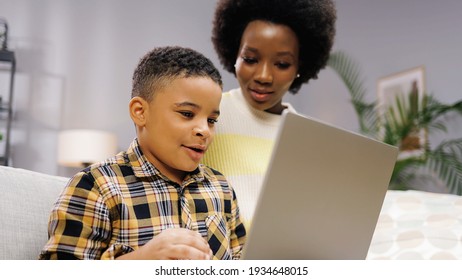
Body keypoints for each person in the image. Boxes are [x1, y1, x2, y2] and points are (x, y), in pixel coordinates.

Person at [39, 46, 246, 260]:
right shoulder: (96, 186)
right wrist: (141, 260)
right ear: (140, 112)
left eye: (211, 120)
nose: (204, 130)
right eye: (187, 114)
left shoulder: (222, 189)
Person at [201, 0, 337, 223]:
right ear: (234, 55)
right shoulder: (208, 115)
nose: (264, 76)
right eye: (251, 59)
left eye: (282, 64)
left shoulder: (311, 137)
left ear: (300, 67)